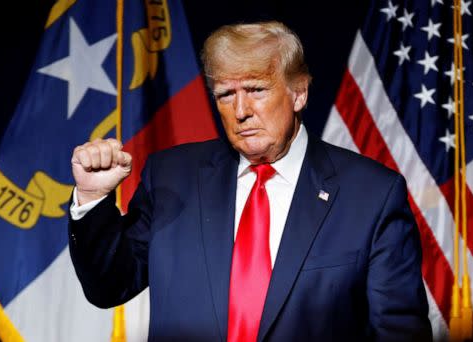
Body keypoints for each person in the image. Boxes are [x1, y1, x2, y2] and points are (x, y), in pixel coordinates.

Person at [69, 21, 432, 341]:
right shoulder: (171, 177)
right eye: (226, 94)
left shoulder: (372, 195)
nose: (241, 111)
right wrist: (92, 197)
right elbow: (108, 287)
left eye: (256, 89)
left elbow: (399, 330)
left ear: (298, 92)